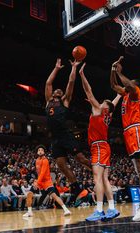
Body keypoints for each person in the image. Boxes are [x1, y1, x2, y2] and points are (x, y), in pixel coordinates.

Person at [110, 56, 140, 221]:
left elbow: (128, 85)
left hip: (136, 130)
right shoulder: (125, 96)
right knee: (138, 170)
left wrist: (120, 72)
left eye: (130, 83)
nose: (126, 85)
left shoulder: (136, 93)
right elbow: (113, 85)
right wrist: (112, 71)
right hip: (127, 132)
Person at [44, 58, 91, 205]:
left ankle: (99, 171)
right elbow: (48, 83)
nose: (58, 90)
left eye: (60, 90)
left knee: (81, 159)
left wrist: (74, 68)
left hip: (66, 135)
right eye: (56, 90)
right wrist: (57, 68)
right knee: (61, 165)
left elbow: (71, 83)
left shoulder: (64, 101)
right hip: (55, 139)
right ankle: (77, 188)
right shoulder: (48, 101)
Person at [79, 63, 121, 221]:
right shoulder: (108, 114)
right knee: (104, 179)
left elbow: (88, 91)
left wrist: (82, 75)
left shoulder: (98, 110)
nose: (101, 102)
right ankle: (111, 208)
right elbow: (116, 100)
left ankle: (98, 210)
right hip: (105, 146)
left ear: (105, 107)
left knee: (97, 178)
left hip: (98, 146)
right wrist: (120, 91)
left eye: (104, 102)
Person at [23, 145, 71, 217]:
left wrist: (37, 183)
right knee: (29, 194)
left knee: (54, 196)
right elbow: (38, 173)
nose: (40, 151)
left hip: (47, 182)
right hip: (40, 181)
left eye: (42, 150)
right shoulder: (36, 160)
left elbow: (42, 173)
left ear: (44, 152)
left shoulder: (45, 160)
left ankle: (66, 210)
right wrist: (36, 181)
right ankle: (29, 212)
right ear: (37, 152)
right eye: (39, 150)